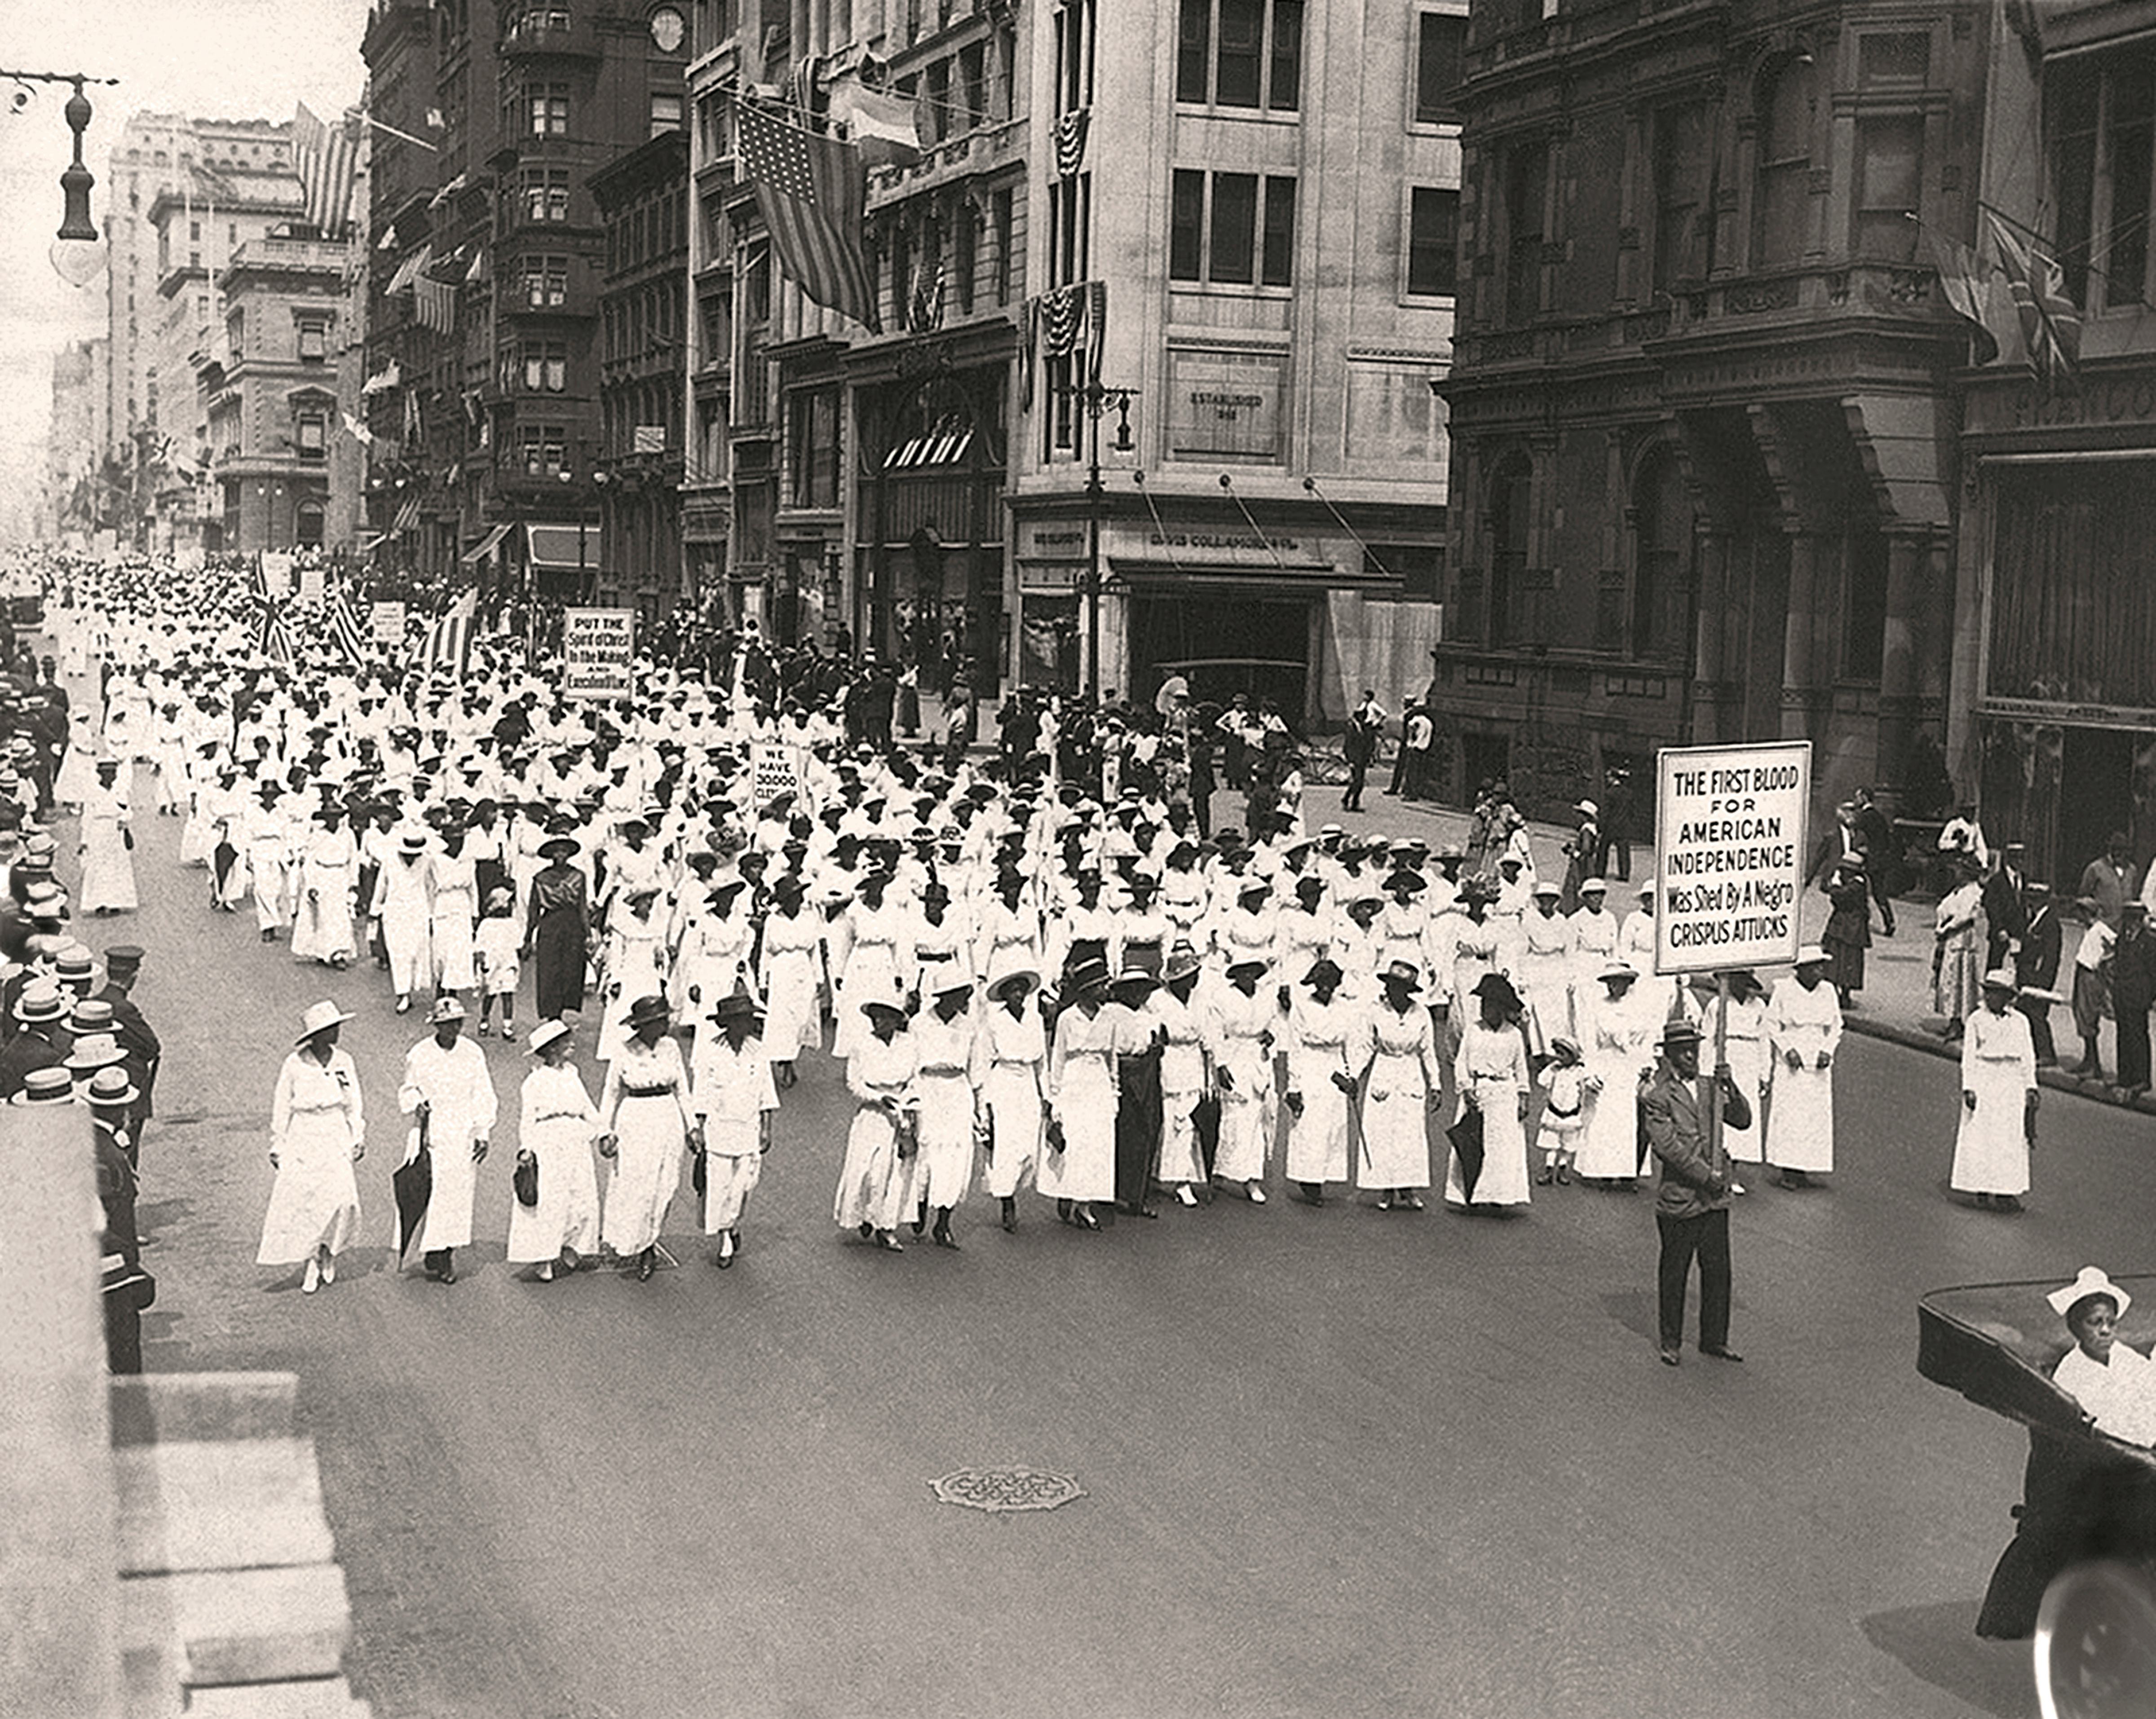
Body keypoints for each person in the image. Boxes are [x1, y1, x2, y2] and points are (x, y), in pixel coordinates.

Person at [1644, 1018, 1752, 1367]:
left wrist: (1731, 1086)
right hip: (1682, 1199)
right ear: (1671, 1055)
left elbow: (1743, 1120)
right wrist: (1708, 1176)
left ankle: (1715, 1339)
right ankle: (1671, 1341)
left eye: (1694, 1048)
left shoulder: (1710, 1088)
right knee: (1676, 1272)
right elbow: (1668, 1148)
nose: (1691, 1055)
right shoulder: (1659, 1098)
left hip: (1714, 1201)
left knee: (1718, 1271)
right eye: (1683, 1050)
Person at [257, 1000, 364, 1296]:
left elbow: (354, 1101)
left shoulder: (345, 1061)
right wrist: (278, 1144)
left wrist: (358, 1136)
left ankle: (328, 1247)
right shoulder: (295, 1064)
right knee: (307, 1202)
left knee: (344, 1200)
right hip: (304, 1133)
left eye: (337, 1027)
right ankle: (312, 1260)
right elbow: (281, 1106)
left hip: (335, 1131)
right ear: (316, 1035)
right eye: (331, 1029)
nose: (337, 1033)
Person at [395, 995, 497, 1284]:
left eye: (458, 1023)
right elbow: (408, 1090)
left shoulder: (473, 1053)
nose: (454, 1029)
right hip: (432, 1133)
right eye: (447, 1024)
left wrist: (482, 1131)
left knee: (456, 1198)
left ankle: (446, 1254)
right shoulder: (420, 1054)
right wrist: (418, 1103)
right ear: (436, 1025)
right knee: (431, 1193)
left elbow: (484, 1093)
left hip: (462, 1133)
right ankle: (432, 1250)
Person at [596, 993, 695, 1279]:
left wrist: (692, 1127)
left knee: (666, 1184)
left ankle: (650, 1237)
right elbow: (611, 1093)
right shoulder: (625, 1050)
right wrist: (606, 1131)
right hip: (635, 1120)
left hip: (667, 1119)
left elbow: (683, 1089)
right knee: (636, 1184)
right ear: (643, 1026)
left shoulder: (672, 1048)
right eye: (658, 1021)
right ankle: (642, 1247)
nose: (665, 1024)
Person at [689, 985, 780, 1267]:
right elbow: (701, 1094)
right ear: (729, 1023)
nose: (749, 1024)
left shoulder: (759, 1051)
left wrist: (767, 1128)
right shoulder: (711, 1051)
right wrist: (699, 1128)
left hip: (749, 1128)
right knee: (721, 1185)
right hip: (720, 1129)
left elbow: (767, 1091)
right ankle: (726, 1237)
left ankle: (734, 1223)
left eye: (751, 1019)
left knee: (745, 1185)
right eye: (743, 1020)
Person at [507, 1020, 603, 1282]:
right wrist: (525, 1149)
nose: (572, 1044)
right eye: (565, 1041)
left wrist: (604, 1131)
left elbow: (587, 1108)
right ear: (550, 1049)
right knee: (551, 1199)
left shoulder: (573, 1074)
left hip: (576, 1140)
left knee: (580, 1196)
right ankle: (544, 1257)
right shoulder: (534, 1081)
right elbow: (527, 1119)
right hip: (548, 1142)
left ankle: (573, 1247)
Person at [1950, 970, 2039, 1212]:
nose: (1990, 998)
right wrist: (1969, 1087)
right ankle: (1982, 1185)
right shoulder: (1976, 1020)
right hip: (1985, 1079)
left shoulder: (2021, 1022)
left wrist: (2031, 1086)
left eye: (1996, 994)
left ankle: (2006, 1191)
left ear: (2007, 997)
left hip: (2011, 1082)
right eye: (1987, 993)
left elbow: (2028, 1056)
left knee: (2009, 1139)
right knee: (1982, 1135)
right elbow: (1968, 1056)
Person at [1355, 959, 1440, 1209]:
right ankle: (1386, 1189)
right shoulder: (1375, 1011)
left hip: (1411, 1073)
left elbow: (1429, 1052)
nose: (1394, 991)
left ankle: (1408, 1188)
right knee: (1382, 1132)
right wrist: (1355, 1076)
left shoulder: (1421, 1013)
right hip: (1384, 1069)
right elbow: (1365, 1047)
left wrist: (1436, 1084)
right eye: (1392, 985)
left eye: (1400, 987)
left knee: (1410, 1134)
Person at [834, 996, 918, 1252]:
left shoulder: (909, 1044)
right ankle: (864, 1215)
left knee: (895, 1173)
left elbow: (916, 1078)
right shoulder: (861, 1045)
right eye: (876, 1017)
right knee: (867, 1171)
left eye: (885, 1017)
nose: (879, 1022)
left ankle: (887, 1227)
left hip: (901, 1112)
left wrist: (909, 1107)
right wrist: (879, 1098)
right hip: (872, 1114)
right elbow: (854, 1083)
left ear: (896, 1020)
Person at [1282, 958, 1364, 1205]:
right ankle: (1309, 1181)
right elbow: (1295, 1048)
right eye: (1320, 983)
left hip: (1335, 1066)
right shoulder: (1302, 1008)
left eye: (1329, 983)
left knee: (1333, 1126)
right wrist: (1294, 1085)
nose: (1325, 988)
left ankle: (1323, 1175)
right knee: (1310, 1125)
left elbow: (1353, 1044)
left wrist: (1353, 1076)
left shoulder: (1346, 1009)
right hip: (1310, 1064)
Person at [1448, 972, 1532, 1211]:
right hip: (1477, 1090)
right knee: (1474, 1144)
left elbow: (1521, 1068)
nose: (1485, 1009)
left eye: (1491, 1005)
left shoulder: (1514, 1034)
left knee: (1501, 1149)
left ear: (1501, 1008)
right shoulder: (1473, 1031)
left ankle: (1498, 1196)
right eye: (1483, 1004)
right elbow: (1461, 1062)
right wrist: (1465, 1089)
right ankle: (1470, 1195)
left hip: (1505, 1093)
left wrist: (1524, 1097)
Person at [2047, 1268, 2156, 1447]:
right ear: (2076, 1327)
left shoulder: (2127, 1358)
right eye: (2095, 1322)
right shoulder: (2068, 1376)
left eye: (2111, 1323)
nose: (2105, 1331)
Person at [1763, 946, 1841, 1190]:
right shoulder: (1784, 990)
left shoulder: (1828, 991)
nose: (1820, 971)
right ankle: (1789, 1169)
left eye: (1822, 966)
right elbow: (1772, 1024)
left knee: (1813, 1116)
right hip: (1792, 1063)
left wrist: (1828, 1049)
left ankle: (1805, 1166)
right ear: (1802, 970)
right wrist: (1787, 1049)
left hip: (1817, 1060)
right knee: (1791, 1114)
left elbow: (1837, 1025)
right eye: (1816, 967)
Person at [978, 966, 1048, 1231]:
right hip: (1004, 1080)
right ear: (1005, 995)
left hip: (1028, 1081)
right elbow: (986, 1062)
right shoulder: (994, 1022)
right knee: (1006, 1144)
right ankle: (1007, 1202)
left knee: (1029, 1146)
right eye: (1012, 991)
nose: (1018, 995)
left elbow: (1042, 1062)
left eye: (1021, 990)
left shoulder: (1036, 1019)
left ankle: (1016, 1188)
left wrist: (1047, 1095)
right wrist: (985, 1104)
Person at [524, 833, 591, 1023]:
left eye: (564, 851)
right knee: (550, 970)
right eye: (557, 851)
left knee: (570, 969)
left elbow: (582, 906)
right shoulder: (541, 878)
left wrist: (588, 934)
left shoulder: (578, 876)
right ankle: (552, 1014)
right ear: (551, 854)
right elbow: (534, 910)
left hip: (572, 924)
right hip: (550, 924)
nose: (560, 855)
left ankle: (562, 1010)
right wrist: (528, 938)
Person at [77, 756, 137, 916]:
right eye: (106, 773)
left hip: (115, 832)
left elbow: (128, 811)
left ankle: (116, 901)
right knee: (99, 866)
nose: (110, 776)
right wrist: (84, 840)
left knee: (116, 866)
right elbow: (87, 817)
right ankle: (100, 903)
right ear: (99, 774)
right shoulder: (92, 792)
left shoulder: (120, 792)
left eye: (112, 773)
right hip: (98, 832)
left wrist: (124, 821)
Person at [1932, 857, 1984, 1038]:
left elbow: (1964, 916)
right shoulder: (1958, 891)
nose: (1956, 874)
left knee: (1959, 981)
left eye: (1959, 871)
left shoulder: (1974, 892)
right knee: (1948, 979)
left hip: (1962, 940)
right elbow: (1943, 908)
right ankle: (1952, 1020)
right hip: (1950, 939)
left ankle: (1959, 1022)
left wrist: (1945, 928)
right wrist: (1940, 925)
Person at [2015, 881, 2062, 1068]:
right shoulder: (2033, 919)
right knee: (2025, 1013)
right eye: (2029, 899)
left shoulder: (2051, 924)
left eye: (2034, 900)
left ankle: (2047, 1053)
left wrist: (2043, 981)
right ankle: (2031, 1050)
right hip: (2026, 974)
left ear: (2044, 901)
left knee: (2037, 1014)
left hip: (2038, 977)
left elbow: (2051, 957)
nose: (2030, 903)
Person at [2071, 894, 2116, 1080]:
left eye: (2080, 911)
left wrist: (2103, 962)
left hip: (2091, 976)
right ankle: (2088, 1060)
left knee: (2089, 1017)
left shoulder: (2100, 929)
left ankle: (2094, 1064)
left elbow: (2114, 947)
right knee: (2081, 1016)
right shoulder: (2089, 930)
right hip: (2082, 973)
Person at [1533, 1036, 1587, 1186]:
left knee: (1568, 1145)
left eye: (1563, 1054)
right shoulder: (1554, 1070)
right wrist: (1551, 1069)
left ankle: (1563, 1169)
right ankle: (1549, 1171)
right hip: (1554, 1111)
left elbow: (1585, 1089)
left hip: (1571, 1113)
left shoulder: (1580, 1071)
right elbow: (1542, 1081)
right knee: (1552, 1144)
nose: (1559, 1057)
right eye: (1557, 1053)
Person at [2114, 902, 2156, 1097]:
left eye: (2132, 920)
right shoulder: (2123, 939)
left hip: (2139, 996)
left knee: (2138, 1036)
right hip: (2122, 995)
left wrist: (2151, 997)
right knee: (2123, 1035)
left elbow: (2153, 973)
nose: (2129, 925)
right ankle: (2125, 1076)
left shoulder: (2149, 942)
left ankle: (2142, 1079)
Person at [1820, 857, 1870, 1007]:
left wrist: (1834, 886)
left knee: (1846, 960)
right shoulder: (1854, 883)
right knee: (1839, 960)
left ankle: (1844, 994)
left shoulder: (1857, 885)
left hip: (1849, 926)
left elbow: (1839, 897)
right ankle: (1837, 993)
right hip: (1845, 926)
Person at [473, 887, 521, 1038]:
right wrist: (482, 963)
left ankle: (508, 1025)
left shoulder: (512, 924)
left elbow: (517, 944)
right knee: (490, 994)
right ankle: (485, 1020)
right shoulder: (486, 924)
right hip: (491, 964)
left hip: (508, 963)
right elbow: (479, 946)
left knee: (508, 993)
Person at [2082, 830, 2137, 930]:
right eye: (2115, 850)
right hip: (2102, 926)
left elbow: (2134, 896)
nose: (2119, 854)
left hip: (2125, 929)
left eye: (2123, 851)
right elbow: (2084, 897)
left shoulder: (2132, 871)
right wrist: (2091, 921)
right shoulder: (2096, 869)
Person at [1342, 691, 1384, 813]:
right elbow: (1348, 746)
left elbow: (1369, 746)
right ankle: (1350, 800)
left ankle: (1352, 800)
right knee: (1358, 780)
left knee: (1359, 781)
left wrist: (1370, 757)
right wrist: (1350, 760)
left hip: (1362, 758)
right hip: (1355, 758)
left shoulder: (1364, 731)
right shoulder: (1353, 730)